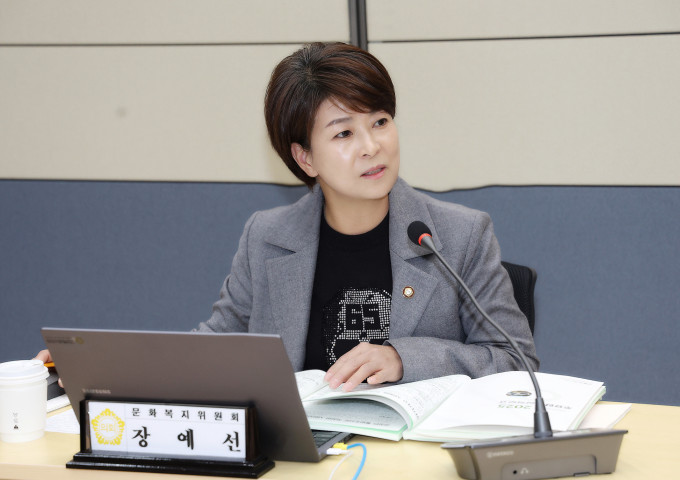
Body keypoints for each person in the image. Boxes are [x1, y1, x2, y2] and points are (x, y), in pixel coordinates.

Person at [37, 42, 538, 392]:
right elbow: (214, 347)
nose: (372, 146)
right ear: (305, 158)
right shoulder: (268, 237)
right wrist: (92, 365)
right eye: (344, 133)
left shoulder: (457, 235)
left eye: (381, 122)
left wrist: (403, 357)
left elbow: (517, 361)